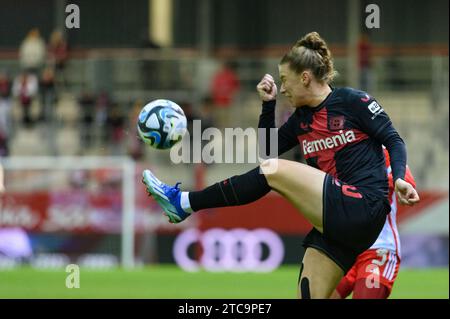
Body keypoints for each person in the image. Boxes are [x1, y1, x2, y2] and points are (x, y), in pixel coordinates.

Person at [141, 32, 420, 298]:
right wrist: (267, 105)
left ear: (306, 77)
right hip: (339, 226)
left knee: (274, 172)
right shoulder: (301, 120)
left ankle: (185, 203)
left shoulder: (352, 101)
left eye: (285, 80)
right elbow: (266, 152)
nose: (283, 87)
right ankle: (183, 204)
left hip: (364, 205)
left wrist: (399, 178)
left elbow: (394, 140)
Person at [330, 148, 416, 299]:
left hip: (378, 249)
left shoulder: (385, 152)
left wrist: (375, 178)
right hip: (346, 250)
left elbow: (407, 181)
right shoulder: (337, 151)